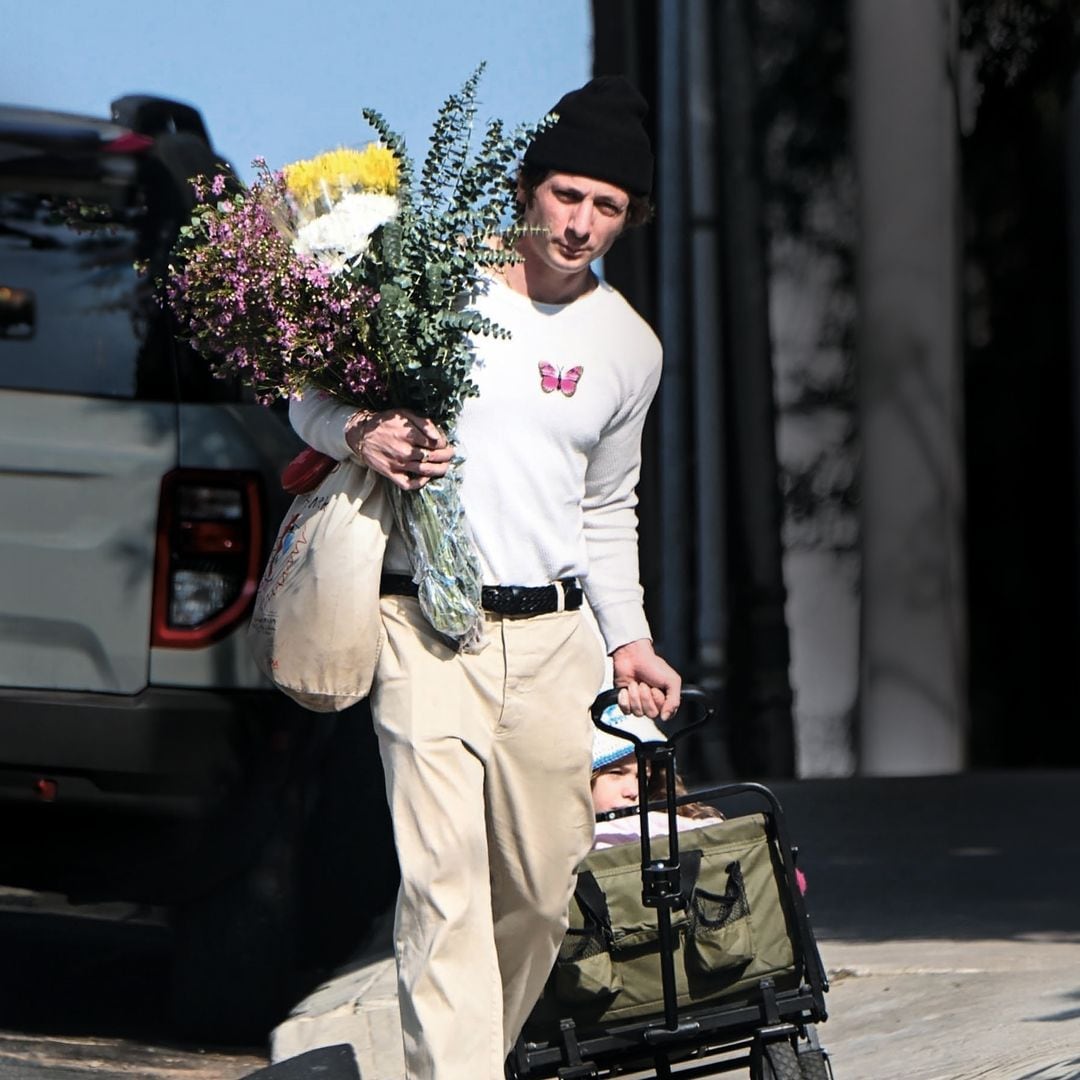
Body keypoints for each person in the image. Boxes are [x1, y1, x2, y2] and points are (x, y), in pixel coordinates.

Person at [289, 75, 680, 1080]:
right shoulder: (434, 285)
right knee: (443, 887)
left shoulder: (628, 348)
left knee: (541, 889)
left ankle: (462, 1059)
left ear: (628, 219)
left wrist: (629, 638)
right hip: (425, 630)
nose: (582, 223)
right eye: (568, 195)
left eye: (608, 207)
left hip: (555, 648)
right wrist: (360, 429)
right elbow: (307, 399)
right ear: (527, 188)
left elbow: (606, 510)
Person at [589, 704, 724, 851]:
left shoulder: (648, 825)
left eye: (642, 777)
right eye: (616, 773)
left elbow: (716, 832)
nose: (633, 791)